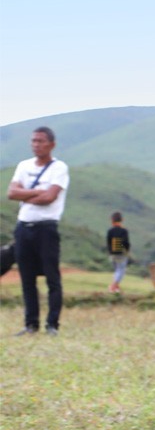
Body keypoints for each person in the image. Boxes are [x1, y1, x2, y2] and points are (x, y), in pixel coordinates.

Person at [7, 127, 69, 335]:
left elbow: (49, 198)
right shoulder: (23, 166)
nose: (36, 144)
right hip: (24, 228)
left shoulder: (59, 168)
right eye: (33, 141)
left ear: (51, 144)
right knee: (27, 278)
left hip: (46, 228)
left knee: (52, 277)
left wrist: (23, 194)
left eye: (40, 141)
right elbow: (11, 193)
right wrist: (36, 192)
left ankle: (52, 324)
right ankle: (30, 324)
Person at [107, 211, 130, 293]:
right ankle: (113, 286)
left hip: (112, 253)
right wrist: (127, 251)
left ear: (112, 220)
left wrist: (110, 251)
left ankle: (116, 288)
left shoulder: (110, 231)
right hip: (121, 253)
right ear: (122, 220)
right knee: (121, 270)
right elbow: (126, 243)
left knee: (117, 270)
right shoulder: (124, 231)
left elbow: (109, 242)